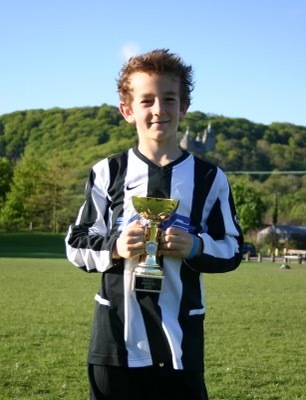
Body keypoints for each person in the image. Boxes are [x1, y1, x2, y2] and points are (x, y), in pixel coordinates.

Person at [65, 48, 244, 400]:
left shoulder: (210, 178)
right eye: (146, 100)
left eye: (169, 99)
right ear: (127, 111)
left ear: (184, 107)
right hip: (116, 341)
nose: (159, 109)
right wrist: (115, 247)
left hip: (182, 343)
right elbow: (76, 243)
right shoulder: (107, 172)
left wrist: (196, 246)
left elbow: (234, 248)